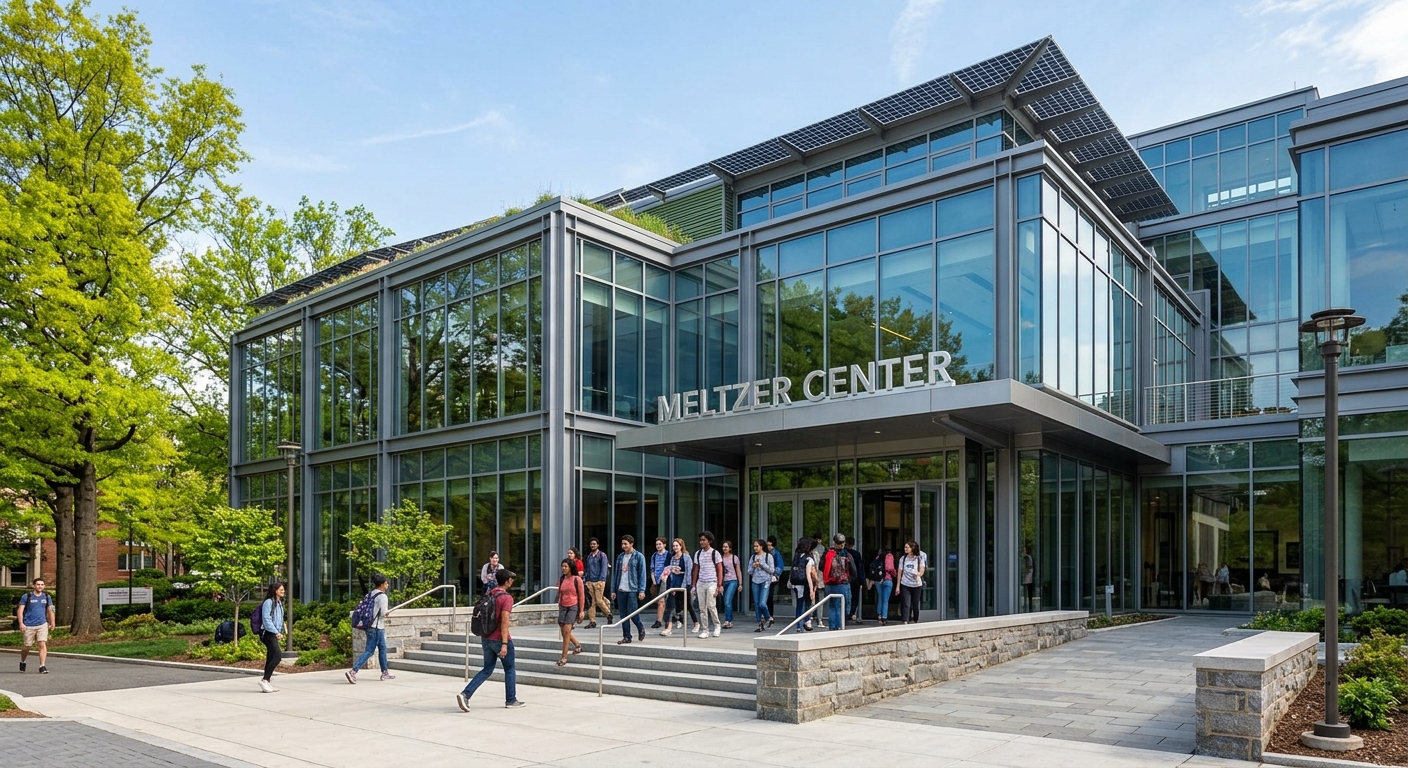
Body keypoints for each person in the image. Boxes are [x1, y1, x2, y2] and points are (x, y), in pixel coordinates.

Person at [457, 568, 525, 710]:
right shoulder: (506, 598)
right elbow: (505, 621)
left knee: (487, 669)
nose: (512, 581)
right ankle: (511, 700)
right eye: (511, 579)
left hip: (486, 638)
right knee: (510, 669)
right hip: (500, 639)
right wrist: (505, 643)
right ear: (507, 581)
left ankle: (466, 694)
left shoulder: (489, 593)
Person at [345, 572, 393, 684]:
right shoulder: (382, 596)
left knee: (382, 648)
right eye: (386, 583)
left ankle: (385, 672)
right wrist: (387, 612)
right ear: (381, 584)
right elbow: (382, 613)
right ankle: (353, 671)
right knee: (369, 650)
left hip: (371, 626)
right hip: (376, 627)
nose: (387, 585)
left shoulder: (371, 594)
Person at [611, 535, 647, 644]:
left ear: (631, 544)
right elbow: (616, 574)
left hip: (633, 589)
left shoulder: (639, 556)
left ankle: (640, 627)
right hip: (621, 589)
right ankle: (627, 636)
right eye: (622, 544)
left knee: (632, 612)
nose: (623, 546)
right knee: (623, 614)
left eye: (625, 544)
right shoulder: (620, 557)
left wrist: (642, 590)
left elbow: (642, 574)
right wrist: (613, 590)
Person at [16, 578, 55, 674]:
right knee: (27, 646)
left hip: (42, 624)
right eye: (38, 584)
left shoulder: (46, 596)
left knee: (42, 643)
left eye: (42, 584)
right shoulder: (27, 596)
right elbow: (20, 610)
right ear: (34, 585)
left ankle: (42, 666)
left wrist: (52, 622)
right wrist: (21, 623)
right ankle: (23, 661)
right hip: (29, 625)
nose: (40, 586)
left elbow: (50, 610)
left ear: (44, 586)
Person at [692, 531, 725, 638]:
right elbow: (696, 569)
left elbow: (720, 570)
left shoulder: (715, 553)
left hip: (712, 582)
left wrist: (719, 585)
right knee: (702, 607)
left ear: (709, 541)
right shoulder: (698, 553)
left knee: (711, 605)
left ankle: (717, 625)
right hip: (701, 582)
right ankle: (705, 629)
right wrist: (693, 585)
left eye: (704, 540)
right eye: (700, 540)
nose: (701, 542)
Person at [660, 538, 693, 636]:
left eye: (677, 546)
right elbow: (668, 570)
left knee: (683, 606)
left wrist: (686, 586)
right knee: (670, 606)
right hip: (673, 584)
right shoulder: (672, 557)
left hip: (682, 585)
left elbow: (688, 572)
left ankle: (685, 620)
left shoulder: (686, 557)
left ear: (681, 546)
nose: (675, 547)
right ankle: (668, 628)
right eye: (673, 546)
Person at [821, 534, 853, 631]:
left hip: (830, 583)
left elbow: (821, 566)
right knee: (843, 606)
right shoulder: (846, 554)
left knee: (832, 606)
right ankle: (840, 625)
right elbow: (853, 569)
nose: (842, 544)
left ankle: (833, 626)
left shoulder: (828, 553)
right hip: (842, 583)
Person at [257, 582, 286, 693]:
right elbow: (266, 619)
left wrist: (279, 632)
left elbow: (279, 619)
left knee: (271, 657)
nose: (283, 591)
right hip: (267, 633)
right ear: (275, 590)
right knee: (277, 656)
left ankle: (267, 682)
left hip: (273, 633)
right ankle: (264, 680)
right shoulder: (269, 602)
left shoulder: (279, 603)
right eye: (281, 589)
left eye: (283, 589)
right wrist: (275, 632)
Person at [556, 559, 585, 665]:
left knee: (567, 631)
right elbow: (559, 593)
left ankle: (564, 657)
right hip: (563, 606)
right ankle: (577, 645)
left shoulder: (577, 579)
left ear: (570, 567)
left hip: (573, 606)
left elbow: (581, 596)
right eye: (562, 566)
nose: (563, 568)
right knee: (564, 632)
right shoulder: (562, 579)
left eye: (566, 566)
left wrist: (581, 611)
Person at [790, 537, 819, 632]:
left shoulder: (797, 555)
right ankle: (801, 624)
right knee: (803, 604)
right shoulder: (809, 558)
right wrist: (812, 589)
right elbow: (808, 575)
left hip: (795, 583)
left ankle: (803, 623)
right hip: (803, 584)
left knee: (800, 604)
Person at [582, 538, 612, 628]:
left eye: (594, 544)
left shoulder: (602, 555)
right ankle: (592, 621)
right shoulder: (589, 556)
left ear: (598, 545)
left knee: (599, 600)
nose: (592, 545)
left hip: (599, 581)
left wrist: (601, 579)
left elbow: (604, 568)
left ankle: (608, 614)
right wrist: (586, 580)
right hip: (590, 581)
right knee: (591, 602)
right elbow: (587, 569)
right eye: (591, 544)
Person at [747, 539, 776, 632]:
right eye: (754, 546)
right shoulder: (753, 557)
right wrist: (753, 566)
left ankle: (768, 617)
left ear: (762, 546)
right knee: (756, 604)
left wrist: (762, 564)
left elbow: (772, 570)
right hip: (755, 581)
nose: (755, 548)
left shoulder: (768, 556)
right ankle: (760, 623)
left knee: (762, 603)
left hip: (765, 581)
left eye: (757, 546)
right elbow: (749, 571)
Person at [898, 540, 926, 624]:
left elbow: (922, 570)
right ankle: (905, 620)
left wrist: (918, 574)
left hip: (916, 584)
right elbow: (899, 572)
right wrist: (898, 586)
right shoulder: (903, 559)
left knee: (915, 604)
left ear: (912, 548)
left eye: (907, 547)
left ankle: (916, 619)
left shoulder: (918, 558)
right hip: (905, 584)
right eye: (905, 547)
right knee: (906, 603)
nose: (905, 549)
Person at [869, 547, 896, 626]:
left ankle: (879, 615)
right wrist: (895, 574)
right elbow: (890, 568)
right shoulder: (889, 556)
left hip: (878, 580)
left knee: (880, 597)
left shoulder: (878, 557)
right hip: (887, 580)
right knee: (885, 599)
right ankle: (884, 616)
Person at [649, 537, 670, 629]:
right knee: (658, 600)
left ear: (664, 545)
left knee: (661, 601)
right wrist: (654, 580)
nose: (658, 546)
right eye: (657, 544)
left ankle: (659, 621)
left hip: (665, 580)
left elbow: (668, 567)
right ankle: (665, 617)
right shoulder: (654, 555)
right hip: (656, 580)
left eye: (660, 544)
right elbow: (652, 568)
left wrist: (663, 577)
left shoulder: (668, 555)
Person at [720, 541, 741, 629]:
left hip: (733, 580)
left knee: (728, 601)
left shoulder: (734, 558)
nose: (725, 548)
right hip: (723, 581)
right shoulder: (720, 558)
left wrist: (740, 583)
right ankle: (729, 619)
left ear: (730, 548)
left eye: (726, 547)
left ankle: (728, 621)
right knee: (726, 602)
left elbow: (738, 571)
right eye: (723, 546)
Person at [844, 539, 865, 624]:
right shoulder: (856, 554)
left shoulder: (842, 553)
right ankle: (851, 613)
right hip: (854, 579)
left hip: (845, 579)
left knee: (846, 597)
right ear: (853, 544)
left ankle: (846, 613)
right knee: (854, 598)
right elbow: (860, 567)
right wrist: (861, 581)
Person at [765, 536, 784, 624]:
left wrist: (776, 575)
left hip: (771, 578)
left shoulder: (776, 554)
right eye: (767, 545)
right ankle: (765, 615)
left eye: (770, 545)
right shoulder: (764, 554)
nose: (769, 547)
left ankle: (770, 615)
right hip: (763, 577)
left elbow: (779, 566)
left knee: (769, 597)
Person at [1022, 545, 1036, 611]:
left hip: (1028, 577)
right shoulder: (1026, 557)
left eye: (1024, 549)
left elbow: (1029, 567)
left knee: (1029, 592)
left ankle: (1029, 607)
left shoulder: (1028, 557)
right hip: (1027, 577)